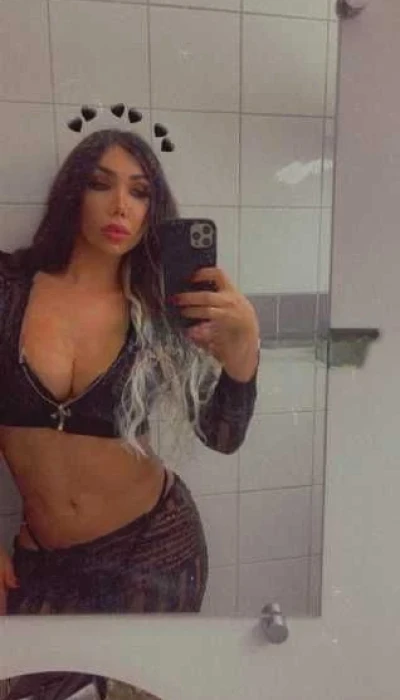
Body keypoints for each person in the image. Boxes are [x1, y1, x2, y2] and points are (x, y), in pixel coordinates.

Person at [0, 129, 259, 615]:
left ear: (151, 211)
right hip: (43, 563)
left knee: (146, 670)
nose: (121, 206)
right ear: (73, 194)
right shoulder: (9, 287)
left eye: (140, 192)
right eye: (101, 184)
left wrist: (244, 349)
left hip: (154, 551)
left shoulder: (162, 307)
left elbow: (222, 434)